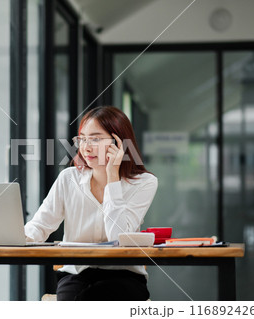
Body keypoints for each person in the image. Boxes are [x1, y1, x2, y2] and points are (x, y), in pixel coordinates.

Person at [24, 106, 158, 301]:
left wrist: (113, 176)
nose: (86, 147)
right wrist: (14, 237)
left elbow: (118, 237)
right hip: (76, 273)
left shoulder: (143, 182)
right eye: (83, 139)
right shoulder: (69, 178)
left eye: (95, 139)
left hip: (124, 276)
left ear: (118, 143)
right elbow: (41, 225)